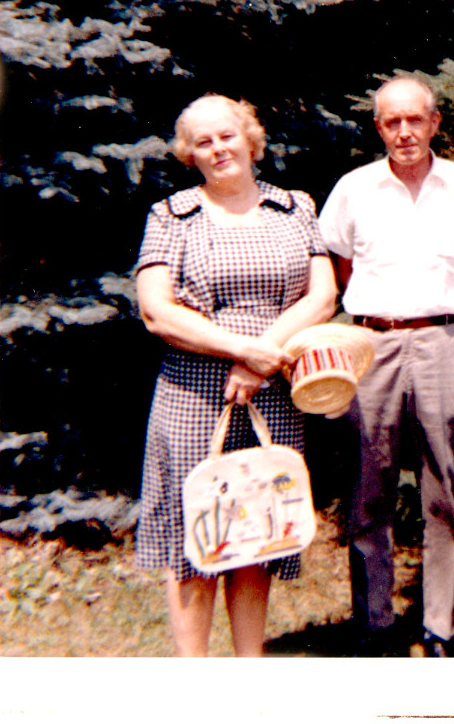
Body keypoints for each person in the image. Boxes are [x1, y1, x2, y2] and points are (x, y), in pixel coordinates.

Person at [134, 93, 337, 656]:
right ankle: (195, 685)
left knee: (258, 530)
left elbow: (322, 295)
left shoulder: (295, 207)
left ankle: (250, 670)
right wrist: (240, 351)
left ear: (250, 138)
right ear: (189, 155)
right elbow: (157, 311)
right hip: (194, 396)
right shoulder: (170, 215)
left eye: (226, 135)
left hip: (273, 392)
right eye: (203, 141)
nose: (218, 148)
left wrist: (259, 356)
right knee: (196, 538)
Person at [318, 76, 454, 657]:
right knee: (367, 488)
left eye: (414, 120)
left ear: (434, 123)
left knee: (445, 487)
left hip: (445, 343)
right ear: (379, 127)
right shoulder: (353, 188)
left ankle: (440, 627)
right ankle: (374, 625)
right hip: (372, 346)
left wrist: (431, 319)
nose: (404, 132)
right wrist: (386, 321)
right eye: (391, 122)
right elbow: (340, 268)